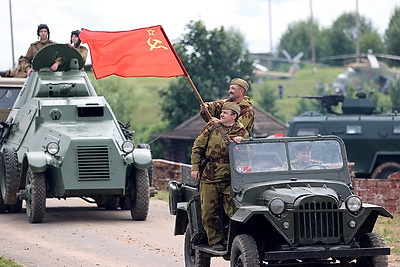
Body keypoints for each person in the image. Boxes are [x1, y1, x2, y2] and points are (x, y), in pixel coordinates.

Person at [191, 102, 249, 251]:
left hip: (231, 178)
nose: (221, 115)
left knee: (233, 211)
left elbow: (248, 155)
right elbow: (197, 147)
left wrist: (241, 145)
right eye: (221, 112)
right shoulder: (211, 127)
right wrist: (195, 168)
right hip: (209, 176)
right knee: (209, 211)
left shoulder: (241, 132)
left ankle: (231, 240)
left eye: (225, 113)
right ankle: (215, 240)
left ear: (234, 116)